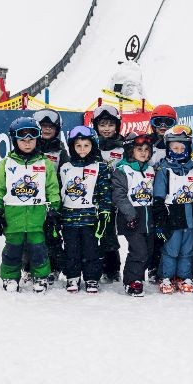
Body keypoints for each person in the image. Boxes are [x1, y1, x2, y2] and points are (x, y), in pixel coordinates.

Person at [0, 117, 61, 293]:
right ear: (15, 140)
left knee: (39, 250)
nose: (27, 143)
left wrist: (53, 210)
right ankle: (10, 276)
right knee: (12, 250)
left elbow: (52, 189)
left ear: (37, 139)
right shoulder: (6, 164)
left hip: (37, 218)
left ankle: (41, 276)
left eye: (31, 138)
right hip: (13, 218)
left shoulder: (45, 163)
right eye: (22, 139)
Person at [57, 125, 113, 294]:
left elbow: (104, 192)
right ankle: (73, 276)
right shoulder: (65, 167)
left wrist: (104, 212)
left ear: (93, 146)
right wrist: (56, 213)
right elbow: (59, 192)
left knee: (91, 250)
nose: (82, 149)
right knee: (71, 249)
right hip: (69, 218)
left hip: (90, 218)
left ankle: (91, 277)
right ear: (72, 147)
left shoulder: (99, 167)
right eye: (78, 146)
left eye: (86, 145)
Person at [152, 124, 193, 294]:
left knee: (188, 249)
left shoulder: (192, 168)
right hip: (172, 216)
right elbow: (158, 195)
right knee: (171, 248)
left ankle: (184, 275)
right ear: (168, 148)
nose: (179, 151)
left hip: (190, 215)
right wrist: (160, 218)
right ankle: (166, 276)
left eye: (182, 148)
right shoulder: (164, 169)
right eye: (175, 148)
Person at [112, 133, 157, 296]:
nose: (144, 153)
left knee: (148, 251)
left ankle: (138, 276)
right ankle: (132, 280)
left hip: (147, 216)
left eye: (146, 149)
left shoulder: (150, 170)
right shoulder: (123, 169)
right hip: (131, 216)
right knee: (139, 251)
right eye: (139, 149)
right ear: (131, 151)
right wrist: (130, 214)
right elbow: (119, 195)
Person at [92, 103, 127, 283]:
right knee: (91, 233)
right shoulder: (90, 145)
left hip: (113, 198)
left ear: (117, 126)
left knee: (109, 234)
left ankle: (112, 268)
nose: (106, 129)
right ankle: (92, 267)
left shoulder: (123, 147)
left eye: (111, 124)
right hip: (92, 198)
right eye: (102, 125)